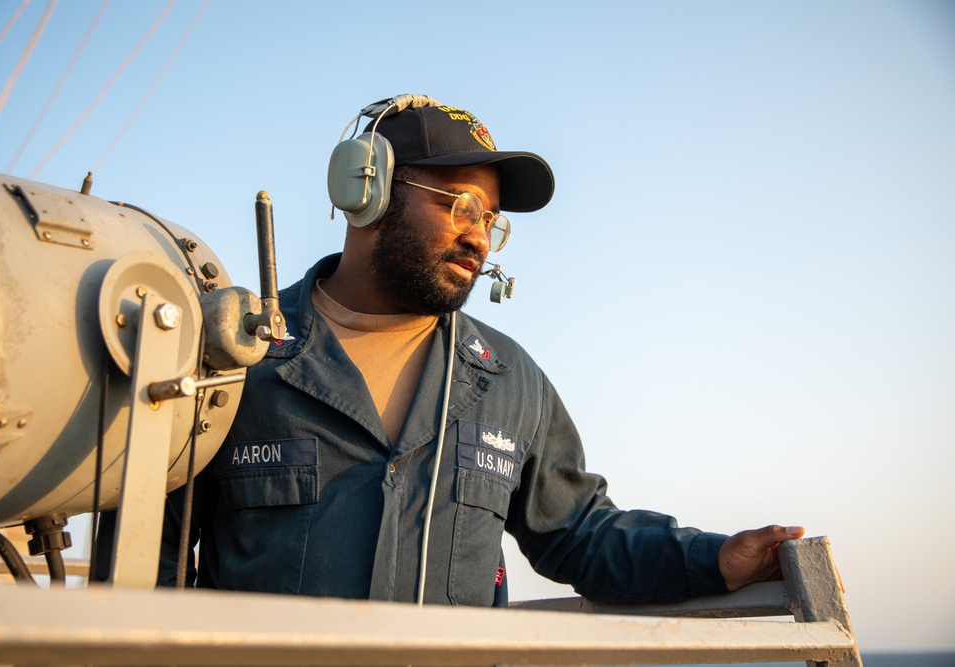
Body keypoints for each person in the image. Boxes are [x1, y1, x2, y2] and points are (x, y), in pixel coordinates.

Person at [157, 95, 804, 606]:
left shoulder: (508, 379)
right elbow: (153, 559)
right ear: (368, 188)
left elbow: (577, 533)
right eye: (462, 206)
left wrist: (715, 559)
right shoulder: (236, 356)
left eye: (491, 220)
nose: (480, 241)